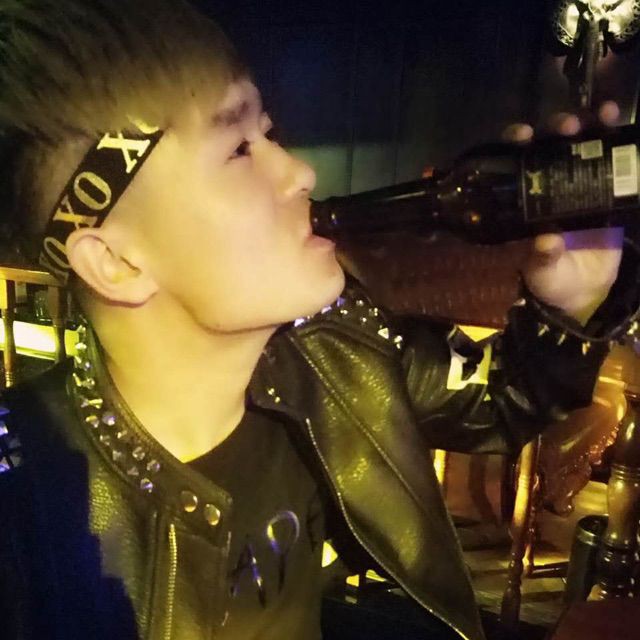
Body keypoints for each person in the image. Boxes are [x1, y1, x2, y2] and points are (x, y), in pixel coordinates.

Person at [0, 1, 637, 639]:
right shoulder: (31, 510)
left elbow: (502, 400)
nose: (300, 172)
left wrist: (574, 300)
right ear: (115, 262)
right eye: (239, 150)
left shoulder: (328, 345)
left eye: (269, 133)